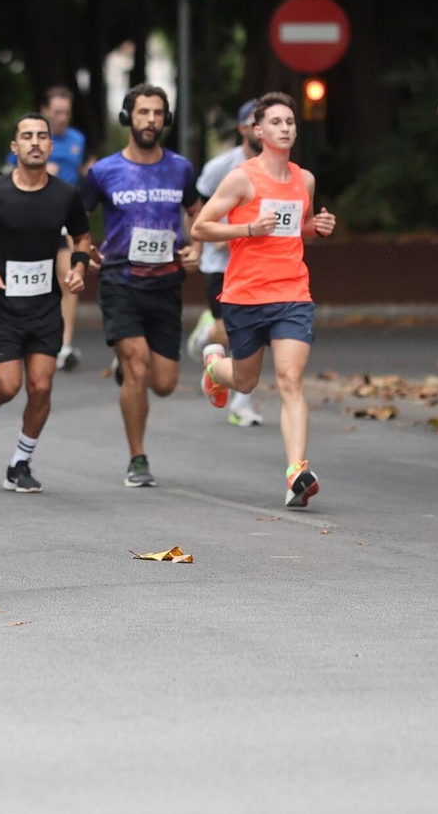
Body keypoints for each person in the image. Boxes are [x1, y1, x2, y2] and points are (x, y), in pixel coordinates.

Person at [191, 92, 337, 507]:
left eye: (290, 122)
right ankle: (216, 369)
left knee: (290, 380)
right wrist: (247, 230)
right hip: (245, 294)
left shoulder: (304, 179)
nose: (285, 128)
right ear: (258, 131)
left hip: (292, 292)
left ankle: (296, 472)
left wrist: (316, 226)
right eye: (276, 122)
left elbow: (297, 228)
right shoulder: (242, 178)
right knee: (248, 379)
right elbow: (201, 228)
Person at [0, 112, 91, 492]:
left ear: (51, 146)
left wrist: (78, 270)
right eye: (27, 136)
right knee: (8, 386)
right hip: (1, 304)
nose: (35, 142)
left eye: (42, 136)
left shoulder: (66, 195)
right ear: (15, 147)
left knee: (42, 386)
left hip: (45, 304)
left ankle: (20, 462)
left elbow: (82, 238)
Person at [79, 84, 201, 487]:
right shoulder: (104, 171)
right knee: (137, 367)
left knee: (164, 383)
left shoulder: (181, 168)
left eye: (158, 112)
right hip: (120, 281)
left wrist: (196, 246)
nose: (151, 119)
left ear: (165, 119)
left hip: (166, 283)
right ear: (128, 116)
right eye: (143, 111)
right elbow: (76, 217)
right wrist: (84, 252)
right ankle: (138, 458)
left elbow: (196, 213)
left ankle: (128, 367)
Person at [184, 100, 266, 426]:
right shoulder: (222, 167)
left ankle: (242, 403)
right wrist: (211, 238)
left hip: (259, 265)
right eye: (254, 122)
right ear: (243, 129)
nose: (262, 129)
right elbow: (196, 206)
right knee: (228, 333)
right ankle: (209, 331)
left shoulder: (281, 169)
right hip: (222, 265)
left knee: (258, 331)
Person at [10, 87, 90, 370]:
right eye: (56, 112)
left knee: (69, 278)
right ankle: (22, 338)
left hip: (64, 218)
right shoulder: (28, 141)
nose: (61, 118)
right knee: (31, 279)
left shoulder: (78, 139)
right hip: (32, 219)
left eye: (66, 113)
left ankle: (64, 344)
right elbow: (9, 175)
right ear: (45, 111)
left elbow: (81, 174)